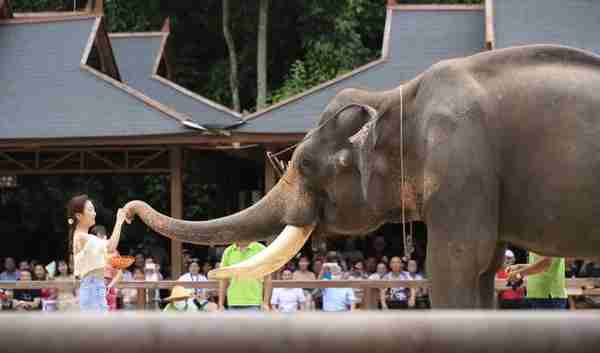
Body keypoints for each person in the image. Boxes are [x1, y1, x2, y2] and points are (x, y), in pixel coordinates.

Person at [68, 194, 127, 311]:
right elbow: (111, 246)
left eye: (94, 210)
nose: (94, 213)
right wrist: (119, 220)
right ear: (79, 216)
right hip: (92, 287)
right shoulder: (82, 236)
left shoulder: (84, 236)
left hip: (94, 286)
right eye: (90, 210)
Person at [218, 241, 271, 311]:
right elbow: (223, 278)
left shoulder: (261, 249)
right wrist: (221, 304)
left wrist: (265, 303)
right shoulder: (228, 251)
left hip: (254, 303)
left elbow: (267, 277)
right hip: (233, 302)